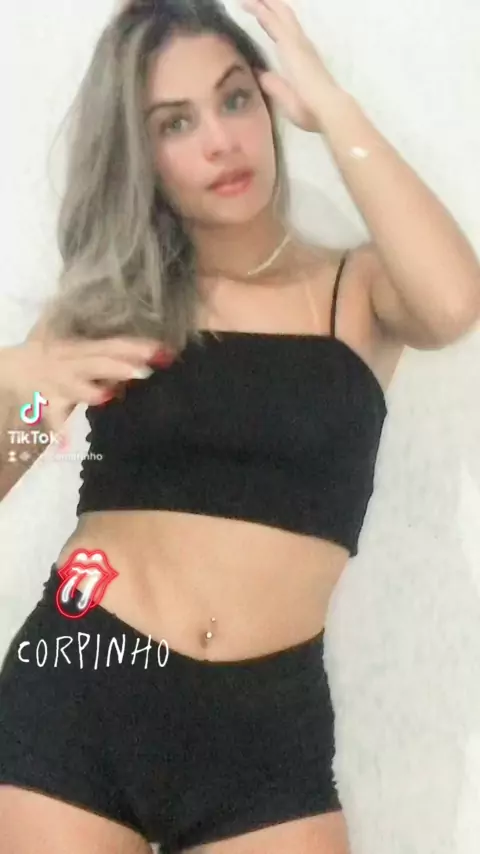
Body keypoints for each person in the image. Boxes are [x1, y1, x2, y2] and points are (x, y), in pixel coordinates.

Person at [0, 0, 479, 852]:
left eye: (233, 99)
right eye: (176, 123)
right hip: (83, 682)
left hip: (265, 731)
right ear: (141, 153)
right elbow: (10, 456)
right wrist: (21, 383)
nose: (221, 141)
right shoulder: (115, 306)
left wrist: (333, 108)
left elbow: (453, 302)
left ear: (268, 103)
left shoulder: (357, 292)